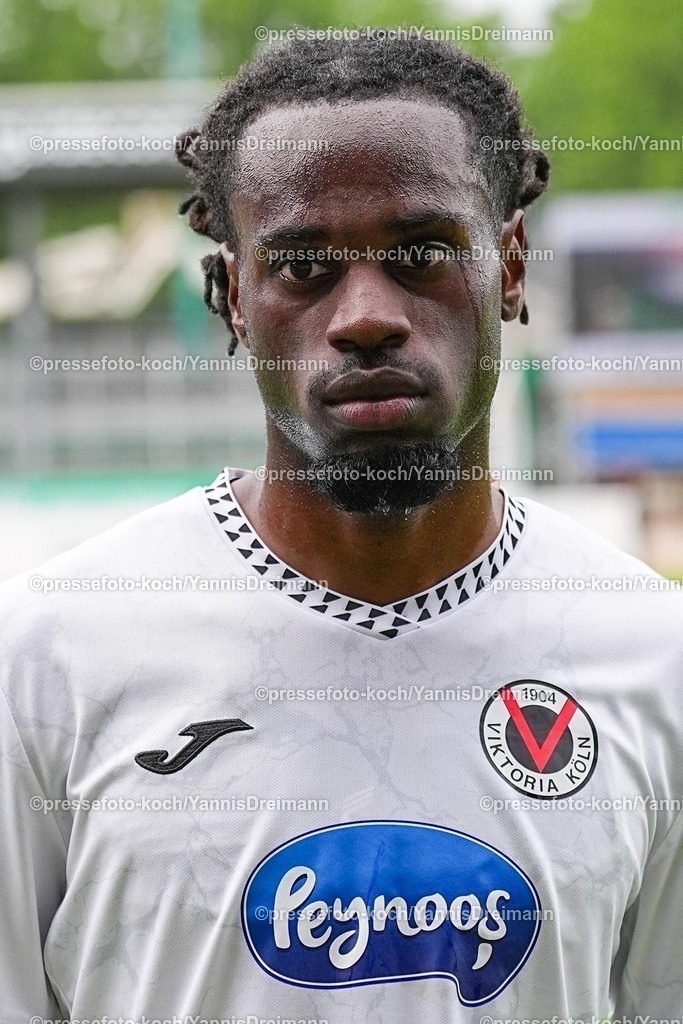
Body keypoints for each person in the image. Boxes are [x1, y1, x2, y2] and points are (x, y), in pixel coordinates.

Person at [1, 31, 681, 1023]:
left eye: (421, 255)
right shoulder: (46, 658)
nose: (365, 315)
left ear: (507, 266)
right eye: (303, 267)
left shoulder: (654, 656)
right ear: (234, 296)